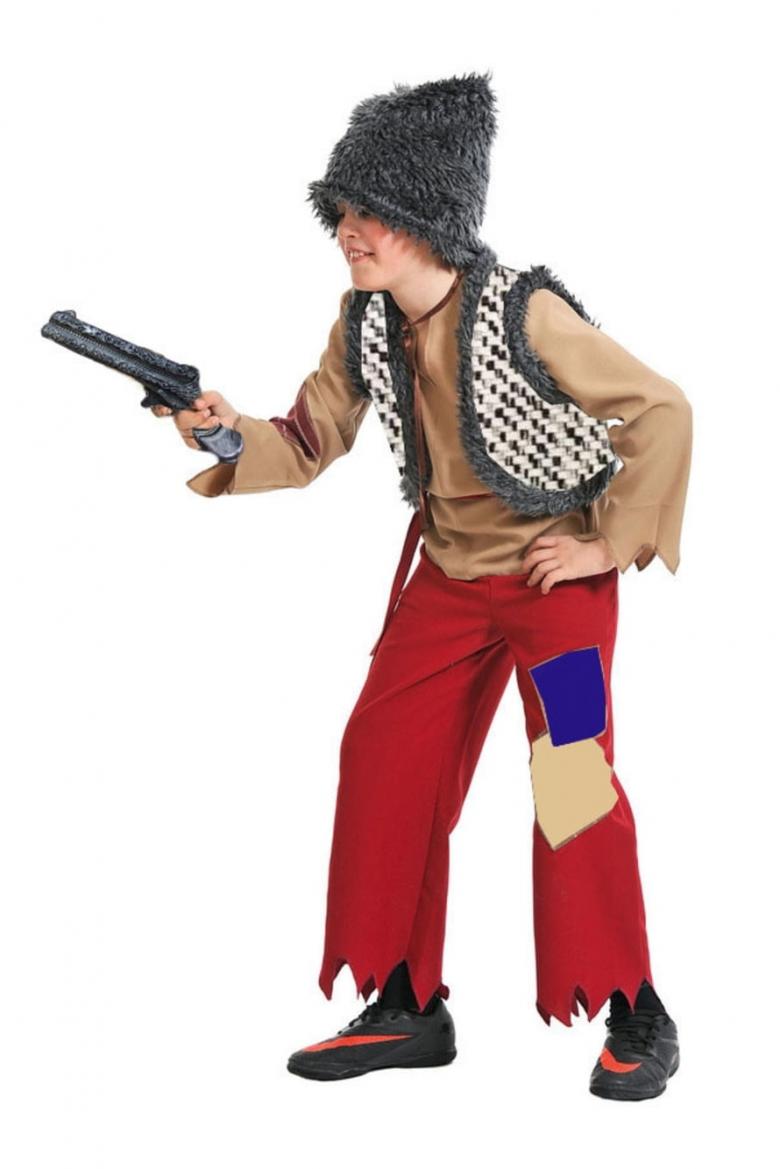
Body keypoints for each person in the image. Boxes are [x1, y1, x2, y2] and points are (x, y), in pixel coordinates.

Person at [154, 72, 692, 1100]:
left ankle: (635, 1004)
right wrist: (219, 433)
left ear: (426, 214)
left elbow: (663, 410)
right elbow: (305, 439)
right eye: (342, 211)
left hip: (556, 595)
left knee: (571, 779)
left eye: (369, 212)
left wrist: (607, 545)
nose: (348, 232)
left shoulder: (526, 310)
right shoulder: (364, 321)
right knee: (381, 758)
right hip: (445, 586)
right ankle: (405, 1000)